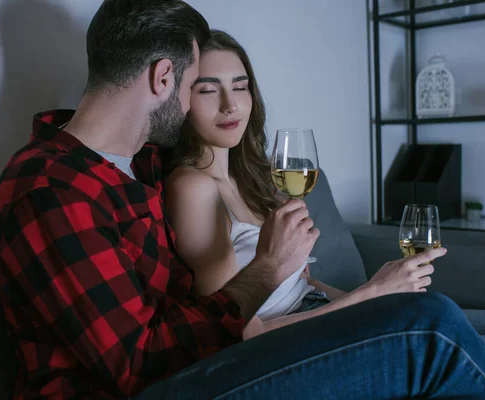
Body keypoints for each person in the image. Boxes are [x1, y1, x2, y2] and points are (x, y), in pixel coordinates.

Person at [0, 1, 485, 399]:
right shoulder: (52, 189)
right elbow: (139, 363)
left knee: (430, 316)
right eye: (197, 82)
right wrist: (268, 268)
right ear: (164, 77)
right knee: (431, 328)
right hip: (158, 389)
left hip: (205, 361)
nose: (214, 100)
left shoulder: (136, 165)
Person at [166, 30, 439, 338]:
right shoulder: (192, 187)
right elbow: (234, 333)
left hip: (318, 313)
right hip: (284, 344)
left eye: (240, 87)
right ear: (181, 99)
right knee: (437, 325)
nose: (231, 105)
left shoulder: (251, 178)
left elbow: (303, 288)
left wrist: (372, 294)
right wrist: (371, 294)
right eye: (207, 91)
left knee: (434, 309)